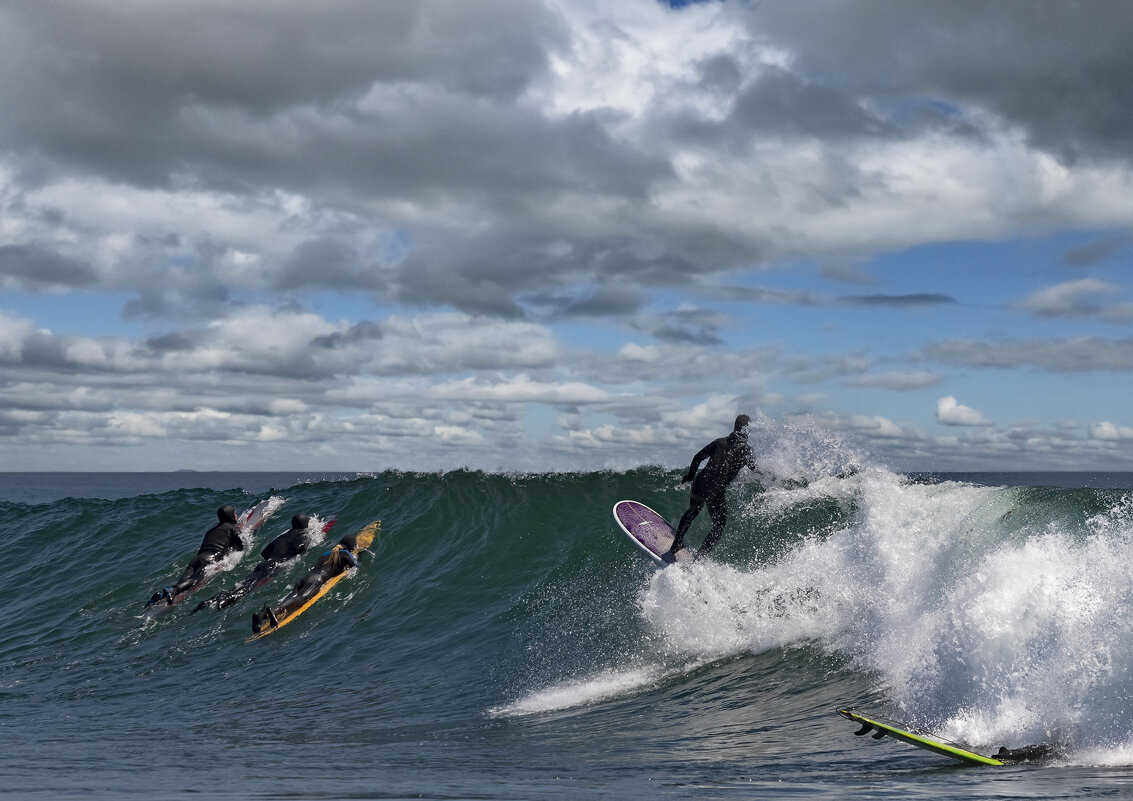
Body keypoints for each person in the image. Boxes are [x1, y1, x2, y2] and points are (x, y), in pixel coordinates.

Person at [663, 414, 759, 563]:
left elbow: (697, 457)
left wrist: (690, 476)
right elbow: (756, 471)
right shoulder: (747, 451)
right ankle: (699, 559)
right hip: (715, 491)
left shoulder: (719, 442)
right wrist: (775, 478)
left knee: (692, 511)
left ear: (735, 427)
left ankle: (676, 545)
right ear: (748, 430)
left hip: (699, 484)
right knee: (719, 525)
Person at [192, 514, 319, 613]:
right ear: (304, 524)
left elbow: (265, 552)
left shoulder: (284, 535)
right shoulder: (302, 533)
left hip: (264, 564)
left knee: (243, 585)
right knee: (247, 589)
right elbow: (300, 547)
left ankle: (212, 600)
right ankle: (224, 602)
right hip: (273, 567)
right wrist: (303, 549)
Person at [252, 533, 360, 634]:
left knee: (291, 597)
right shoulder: (346, 554)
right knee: (300, 599)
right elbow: (356, 565)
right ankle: (274, 610)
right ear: (351, 547)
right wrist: (359, 555)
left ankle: (261, 616)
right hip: (316, 580)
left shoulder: (326, 554)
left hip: (306, 579)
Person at [149, 505, 244, 606]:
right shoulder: (232, 528)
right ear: (230, 515)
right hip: (209, 559)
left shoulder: (210, 531)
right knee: (194, 581)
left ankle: (160, 597)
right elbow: (240, 545)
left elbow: (202, 549)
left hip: (196, 560)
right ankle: (173, 590)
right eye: (235, 513)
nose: (236, 516)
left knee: (183, 581)